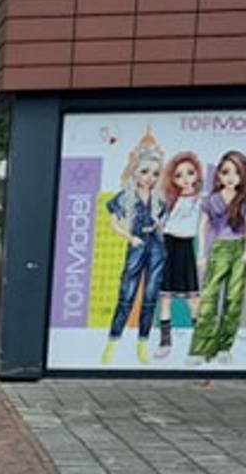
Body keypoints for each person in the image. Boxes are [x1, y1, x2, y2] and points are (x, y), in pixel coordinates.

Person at [101, 129, 167, 366]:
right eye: (145, 172)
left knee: (150, 297)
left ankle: (142, 343)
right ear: (135, 172)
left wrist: (160, 224)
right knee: (126, 295)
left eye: (155, 174)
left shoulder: (160, 199)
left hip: (157, 246)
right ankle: (112, 342)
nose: (149, 177)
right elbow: (113, 223)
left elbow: (163, 223)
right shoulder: (125, 196)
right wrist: (130, 238)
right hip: (137, 243)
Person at [189, 150, 246, 365]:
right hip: (218, 250)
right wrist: (201, 253)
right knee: (209, 298)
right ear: (218, 174)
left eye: (237, 172)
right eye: (226, 171)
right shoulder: (211, 200)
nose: (231, 177)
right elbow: (202, 226)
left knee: (233, 300)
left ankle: (224, 347)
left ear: (243, 176)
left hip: (238, 248)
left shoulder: (244, 200)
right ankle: (201, 348)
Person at [154, 151, 204, 359]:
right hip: (168, 246)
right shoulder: (170, 199)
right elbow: (162, 223)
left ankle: (201, 341)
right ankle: (165, 341)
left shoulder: (202, 200)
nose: (185, 179)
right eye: (178, 175)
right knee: (165, 296)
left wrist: (201, 253)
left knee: (192, 296)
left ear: (197, 174)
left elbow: (202, 227)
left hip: (186, 247)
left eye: (189, 173)